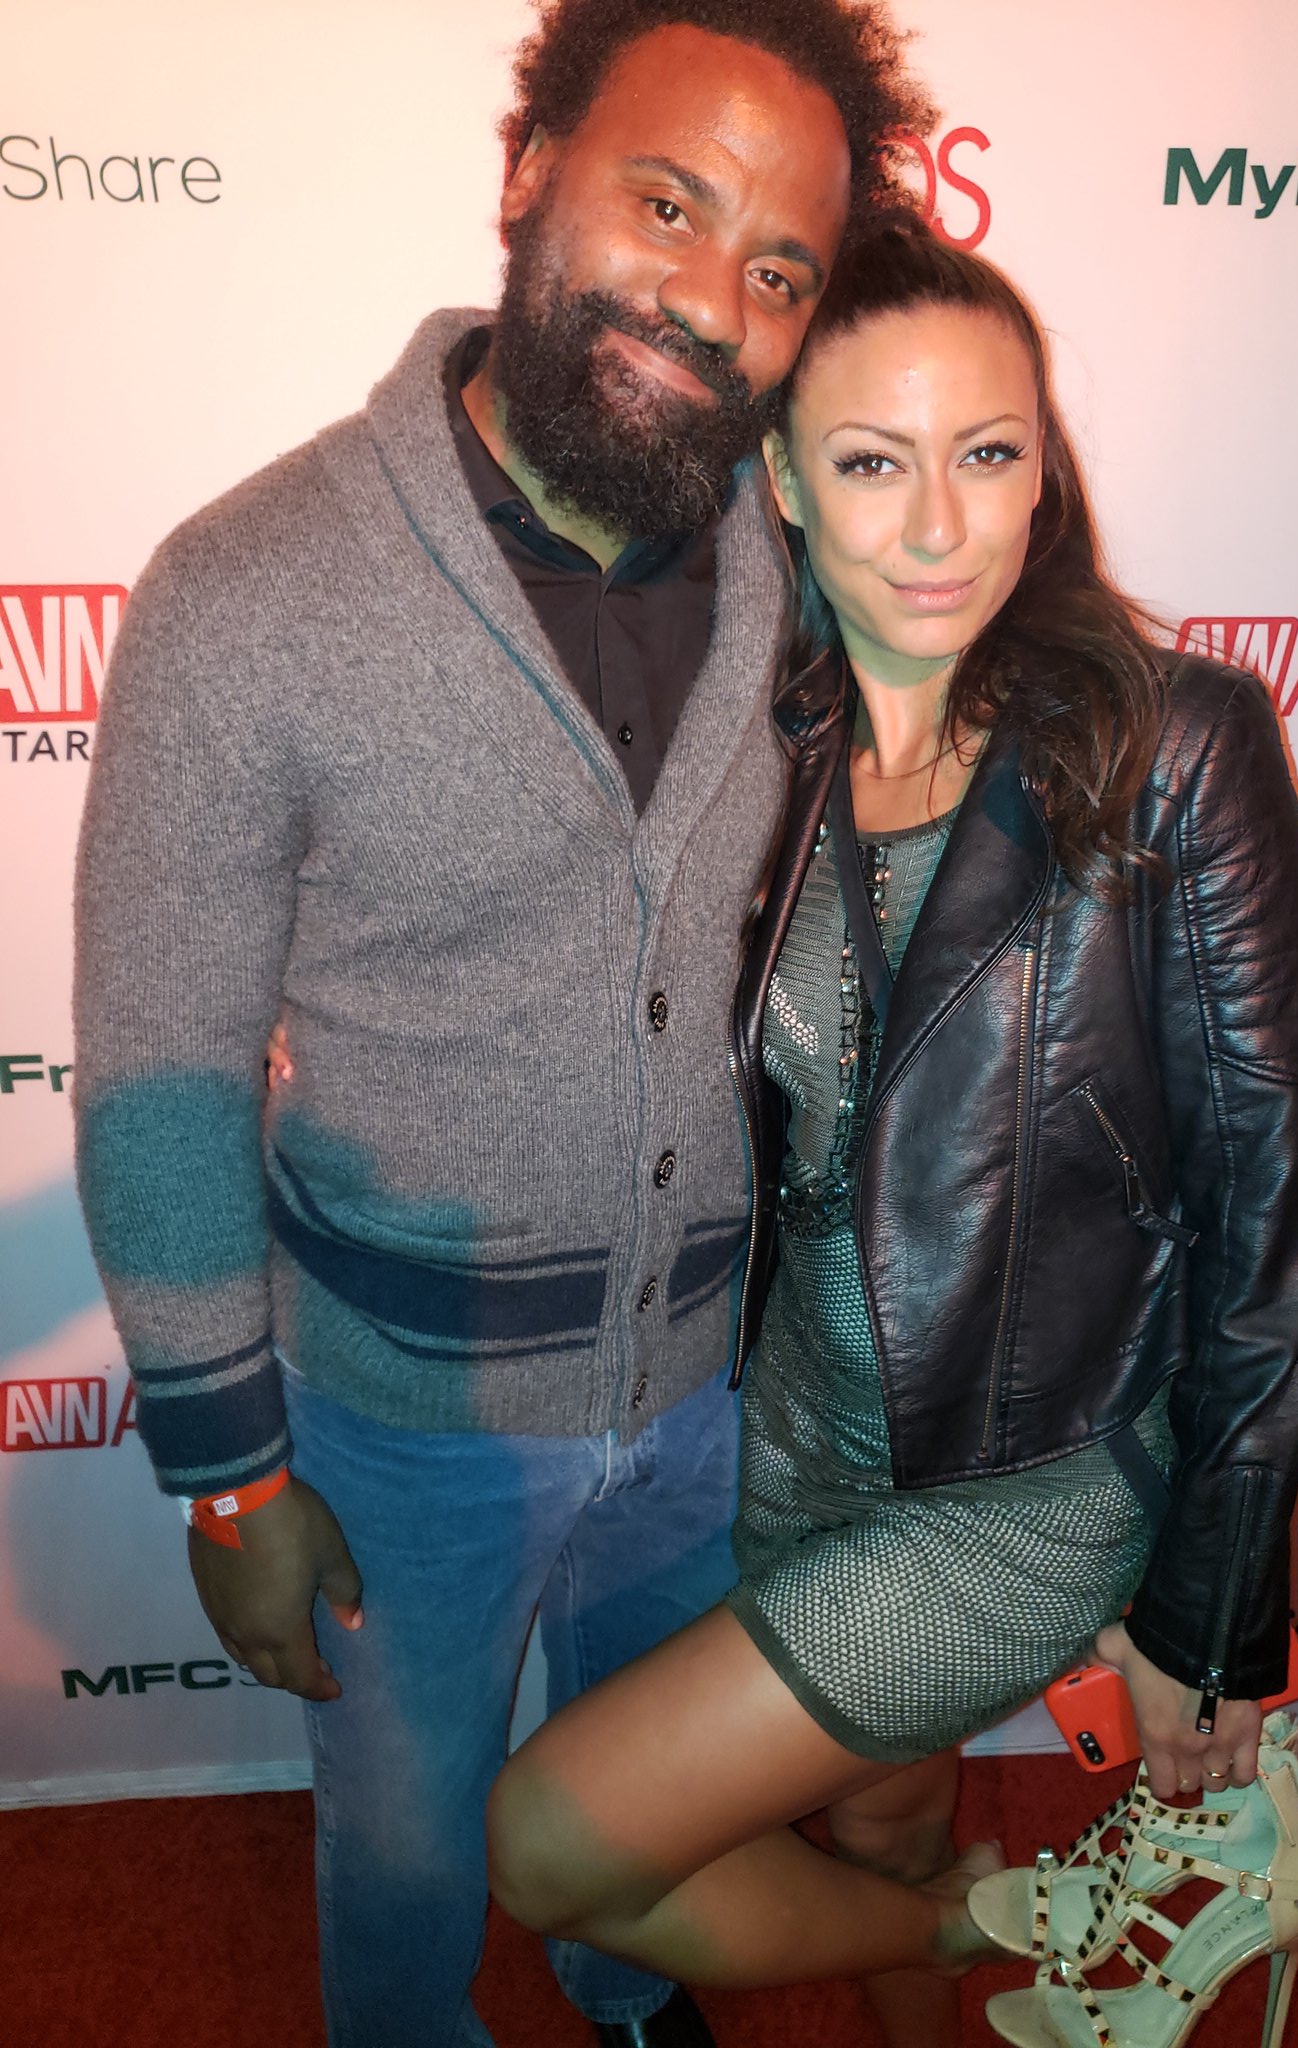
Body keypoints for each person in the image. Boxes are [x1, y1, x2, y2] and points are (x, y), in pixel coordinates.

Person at [70, 7, 934, 2046]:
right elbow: (161, 1066)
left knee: (642, 1821)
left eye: (779, 269)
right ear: (531, 165)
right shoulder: (249, 588)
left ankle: (626, 1999)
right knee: (403, 1853)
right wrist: (228, 1477)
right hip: (402, 1426)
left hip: (708, 1393)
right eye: (668, 205)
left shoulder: (801, 564)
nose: (710, 304)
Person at [483, 219, 1298, 2048]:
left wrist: (1210, 1621)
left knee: (551, 1841)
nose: (941, 525)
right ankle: (950, 1944)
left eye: (989, 452)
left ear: (1045, 469)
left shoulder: (1171, 745)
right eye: (875, 462)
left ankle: (983, 1927)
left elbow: (1272, 1217)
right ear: (788, 485)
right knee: (876, 1820)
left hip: (1027, 1475)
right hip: (801, 1426)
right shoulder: (765, 746)